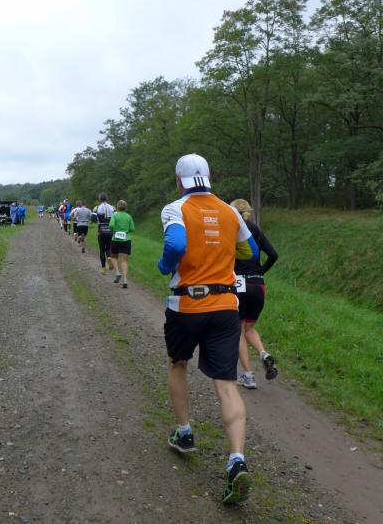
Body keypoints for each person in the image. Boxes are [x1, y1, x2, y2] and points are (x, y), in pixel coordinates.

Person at [157, 153, 258, 505]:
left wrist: (164, 265)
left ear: (179, 180)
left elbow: (175, 244)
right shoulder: (230, 211)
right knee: (226, 383)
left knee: (177, 364)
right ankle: (236, 459)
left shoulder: (175, 209)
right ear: (209, 178)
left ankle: (184, 433)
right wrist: (221, 252)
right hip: (226, 306)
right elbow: (250, 249)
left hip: (186, 305)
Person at [230, 199, 279, 389]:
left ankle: (248, 376)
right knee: (249, 327)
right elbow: (273, 255)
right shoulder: (255, 229)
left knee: (238, 329)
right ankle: (263, 354)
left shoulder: (232, 229)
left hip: (239, 283)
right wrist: (260, 271)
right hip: (258, 284)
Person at [109, 200, 134, 288]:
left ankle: (117, 272)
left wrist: (115, 230)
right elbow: (132, 228)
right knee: (124, 260)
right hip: (126, 240)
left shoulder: (114, 216)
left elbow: (111, 225)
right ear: (125, 207)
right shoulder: (128, 216)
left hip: (115, 239)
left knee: (113, 257)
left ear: (117, 207)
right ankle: (125, 280)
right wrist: (126, 230)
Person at [94, 193, 116, 275]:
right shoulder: (112, 207)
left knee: (102, 250)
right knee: (108, 248)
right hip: (110, 231)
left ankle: (103, 268)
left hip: (101, 231)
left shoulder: (97, 208)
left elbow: (93, 218)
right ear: (107, 198)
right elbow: (115, 218)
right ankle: (109, 257)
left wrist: (96, 221)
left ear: (100, 199)